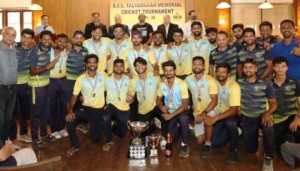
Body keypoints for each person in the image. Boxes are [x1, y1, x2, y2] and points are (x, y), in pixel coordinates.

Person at [66, 54, 111, 156]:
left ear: (97, 64)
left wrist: (109, 103)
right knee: (69, 120)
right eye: (89, 62)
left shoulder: (103, 76)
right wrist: (70, 112)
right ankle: (75, 145)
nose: (92, 64)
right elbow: (74, 96)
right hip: (86, 109)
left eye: (94, 62)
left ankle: (100, 126)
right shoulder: (80, 78)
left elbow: (113, 86)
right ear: (86, 64)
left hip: (98, 110)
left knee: (96, 139)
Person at [238, 58, 277, 171]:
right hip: (247, 117)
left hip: (262, 116)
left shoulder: (266, 83)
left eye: (250, 67)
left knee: (269, 128)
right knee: (251, 149)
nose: (248, 70)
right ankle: (259, 140)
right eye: (245, 67)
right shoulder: (239, 82)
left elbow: (274, 103)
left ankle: (268, 156)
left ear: (256, 69)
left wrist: (268, 113)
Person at [205, 63, 241, 163]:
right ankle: (208, 144)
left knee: (230, 123)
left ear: (228, 74)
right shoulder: (215, 82)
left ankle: (234, 150)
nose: (220, 74)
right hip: (219, 110)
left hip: (231, 113)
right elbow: (203, 77)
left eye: (223, 72)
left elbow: (234, 110)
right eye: (219, 72)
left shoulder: (234, 86)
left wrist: (215, 118)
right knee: (216, 142)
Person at [185, 57, 218, 158]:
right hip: (198, 112)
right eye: (195, 64)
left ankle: (208, 145)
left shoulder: (210, 80)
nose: (197, 66)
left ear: (204, 66)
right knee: (199, 141)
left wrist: (204, 113)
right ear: (192, 66)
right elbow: (178, 85)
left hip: (211, 109)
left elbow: (215, 100)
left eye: (199, 64)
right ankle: (211, 129)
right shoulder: (188, 79)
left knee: (207, 120)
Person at [29, 30, 57, 149]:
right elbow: (32, 71)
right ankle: (35, 137)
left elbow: (58, 48)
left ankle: (44, 134)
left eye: (49, 39)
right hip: (37, 86)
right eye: (44, 39)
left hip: (47, 85)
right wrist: (47, 67)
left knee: (46, 111)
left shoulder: (50, 49)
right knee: (36, 113)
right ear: (39, 40)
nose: (46, 41)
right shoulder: (35, 51)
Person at [157, 60, 190, 157]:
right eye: (166, 70)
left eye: (170, 70)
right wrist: (161, 106)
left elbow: (185, 103)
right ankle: (182, 129)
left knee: (183, 118)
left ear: (174, 71)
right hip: (170, 111)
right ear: (164, 72)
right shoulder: (162, 83)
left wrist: (171, 115)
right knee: (172, 138)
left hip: (181, 110)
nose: (168, 72)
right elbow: (158, 99)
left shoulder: (182, 83)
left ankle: (185, 144)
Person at [271, 57, 300, 153]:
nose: (280, 69)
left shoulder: (294, 82)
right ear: (273, 68)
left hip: (292, 115)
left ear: (287, 68)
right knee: (280, 149)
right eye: (277, 66)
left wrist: (297, 118)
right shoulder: (268, 84)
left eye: (283, 66)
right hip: (277, 118)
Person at [128, 57, 161, 135]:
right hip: (143, 110)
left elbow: (162, 89)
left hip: (156, 106)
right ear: (135, 68)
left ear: (146, 66)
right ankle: (153, 125)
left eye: (142, 65)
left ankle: (159, 121)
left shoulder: (154, 75)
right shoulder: (133, 81)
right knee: (139, 133)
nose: (140, 67)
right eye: (137, 65)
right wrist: (130, 99)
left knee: (167, 123)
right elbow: (131, 97)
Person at [66, 31, 89, 133]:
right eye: (77, 38)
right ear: (73, 39)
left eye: (81, 38)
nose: (79, 40)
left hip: (82, 80)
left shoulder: (86, 51)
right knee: (70, 102)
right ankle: (71, 124)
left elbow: (87, 65)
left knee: (82, 102)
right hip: (70, 80)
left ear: (83, 39)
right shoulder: (68, 50)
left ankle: (82, 124)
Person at [15, 28, 35, 143]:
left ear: (32, 39)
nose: (26, 40)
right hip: (11, 84)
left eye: (29, 37)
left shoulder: (34, 50)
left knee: (25, 111)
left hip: (26, 84)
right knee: (10, 112)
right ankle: (10, 137)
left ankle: (23, 133)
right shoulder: (13, 48)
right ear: (21, 37)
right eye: (24, 37)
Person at [49, 34, 69, 140]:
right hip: (52, 81)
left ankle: (61, 128)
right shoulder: (49, 52)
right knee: (52, 106)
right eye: (60, 41)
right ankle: (54, 130)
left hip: (63, 80)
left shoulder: (67, 52)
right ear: (56, 41)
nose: (62, 43)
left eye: (64, 41)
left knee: (62, 106)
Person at [106, 59, 132, 141]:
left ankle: (113, 125)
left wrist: (131, 99)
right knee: (105, 117)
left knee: (122, 134)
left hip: (124, 108)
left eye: (121, 66)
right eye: (117, 66)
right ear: (113, 68)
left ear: (124, 68)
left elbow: (132, 96)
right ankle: (108, 140)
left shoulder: (129, 80)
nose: (119, 68)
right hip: (112, 105)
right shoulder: (107, 80)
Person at [0, 27, 18, 142]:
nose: (10, 37)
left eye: (13, 35)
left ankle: (5, 141)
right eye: (8, 34)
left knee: (8, 118)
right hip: (0, 89)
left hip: (13, 89)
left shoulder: (16, 49)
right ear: (2, 34)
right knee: (0, 119)